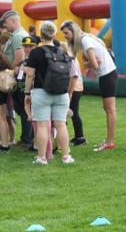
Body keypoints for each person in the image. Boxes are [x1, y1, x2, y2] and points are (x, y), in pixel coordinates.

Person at [23, 21, 75, 165]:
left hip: (41, 92)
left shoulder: (36, 52)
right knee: (61, 125)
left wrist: (27, 93)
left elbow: (30, 75)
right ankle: (66, 156)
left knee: (42, 126)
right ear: (54, 34)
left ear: (41, 35)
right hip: (61, 93)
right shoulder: (62, 51)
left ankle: (42, 157)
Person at [72, 23, 116, 152]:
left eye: (67, 33)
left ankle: (110, 142)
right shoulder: (86, 40)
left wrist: (88, 64)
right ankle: (108, 141)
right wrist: (89, 63)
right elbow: (93, 67)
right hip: (106, 75)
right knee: (108, 109)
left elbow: (95, 64)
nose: (66, 36)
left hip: (108, 75)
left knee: (110, 109)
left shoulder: (85, 40)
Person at [0, 10, 32, 147]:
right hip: (21, 76)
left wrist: (9, 72)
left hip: (19, 78)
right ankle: (27, 137)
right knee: (23, 109)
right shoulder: (19, 35)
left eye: (6, 22)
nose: (5, 25)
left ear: (13, 21)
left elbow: (19, 57)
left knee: (23, 108)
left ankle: (27, 138)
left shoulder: (18, 36)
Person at [58, 22, 86, 148]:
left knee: (72, 111)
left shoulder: (69, 55)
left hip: (75, 87)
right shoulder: (70, 50)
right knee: (72, 112)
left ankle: (79, 137)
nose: (64, 35)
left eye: (66, 33)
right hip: (75, 86)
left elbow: (74, 76)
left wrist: (69, 92)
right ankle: (78, 136)